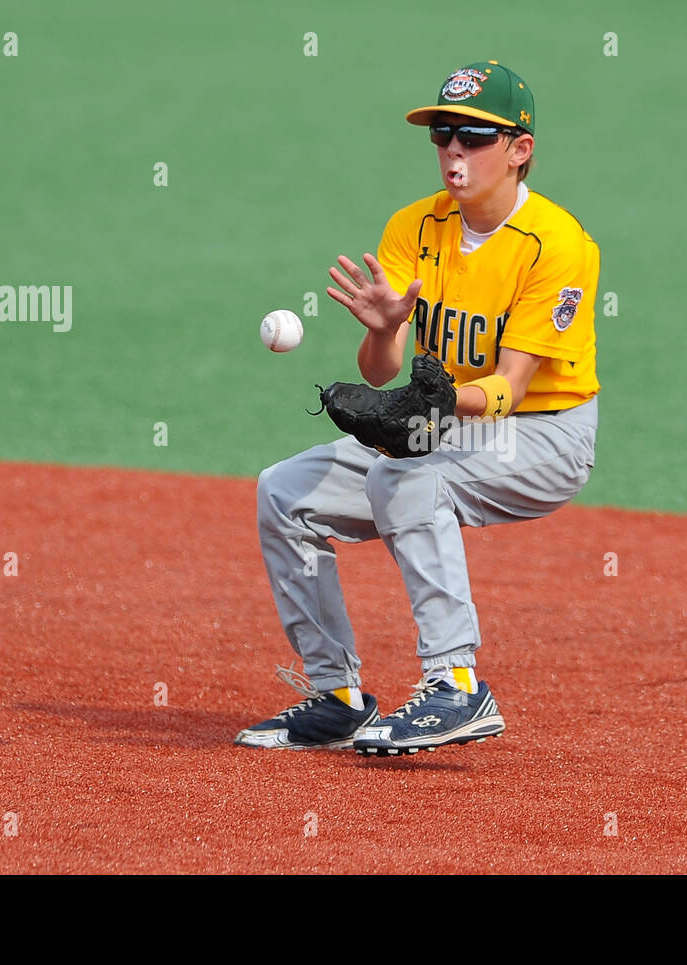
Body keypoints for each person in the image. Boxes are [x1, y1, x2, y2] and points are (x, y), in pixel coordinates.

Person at [235, 61, 601, 755]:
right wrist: (380, 331)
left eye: (473, 135)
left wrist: (431, 406)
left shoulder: (559, 246)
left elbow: (509, 389)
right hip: (446, 426)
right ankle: (337, 695)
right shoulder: (415, 226)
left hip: (544, 436)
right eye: (442, 135)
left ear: (520, 149)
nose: (453, 152)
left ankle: (456, 684)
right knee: (284, 491)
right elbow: (382, 369)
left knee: (408, 475)